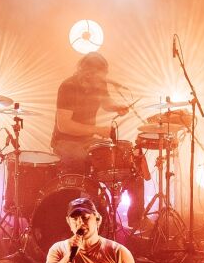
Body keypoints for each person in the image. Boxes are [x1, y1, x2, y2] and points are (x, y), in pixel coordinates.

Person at [52, 52, 145, 229]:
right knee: (82, 163)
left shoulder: (99, 84)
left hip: (87, 140)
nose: (103, 79)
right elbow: (64, 125)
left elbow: (106, 102)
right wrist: (98, 130)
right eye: (100, 75)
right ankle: (78, 219)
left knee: (129, 166)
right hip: (66, 141)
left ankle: (136, 221)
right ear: (88, 73)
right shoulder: (68, 87)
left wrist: (117, 107)